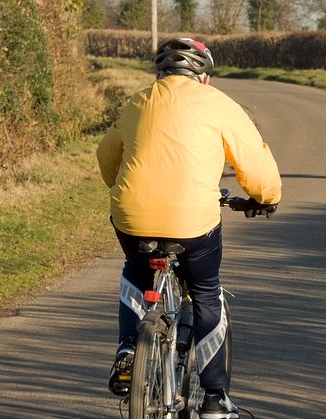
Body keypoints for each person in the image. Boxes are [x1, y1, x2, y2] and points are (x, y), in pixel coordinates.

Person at [97, 38, 282, 419]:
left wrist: (123, 185)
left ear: (160, 73)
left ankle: (129, 349)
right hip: (193, 223)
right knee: (206, 292)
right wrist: (265, 198)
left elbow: (106, 156)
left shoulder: (139, 100)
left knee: (137, 268)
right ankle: (215, 399)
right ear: (204, 76)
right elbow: (256, 163)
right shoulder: (219, 103)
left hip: (132, 216)